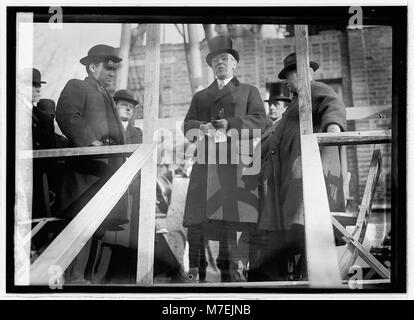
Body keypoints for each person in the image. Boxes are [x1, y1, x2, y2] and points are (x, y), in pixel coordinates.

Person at [250, 52, 347, 281]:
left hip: (304, 182)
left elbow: (332, 103)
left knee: (302, 233)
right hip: (285, 187)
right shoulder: (293, 106)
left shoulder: (313, 90)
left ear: (299, 74)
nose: (285, 82)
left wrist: (333, 127)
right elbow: (271, 140)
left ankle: (309, 282)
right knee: (285, 236)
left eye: (287, 76)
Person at [183, 35, 267, 282]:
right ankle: (198, 278)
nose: (220, 63)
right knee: (200, 223)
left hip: (236, 167)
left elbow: (261, 122)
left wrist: (230, 123)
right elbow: (187, 126)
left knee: (233, 223)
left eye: (225, 59)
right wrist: (202, 126)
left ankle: (235, 279)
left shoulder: (248, 92)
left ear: (234, 64)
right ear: (211, 66)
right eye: (216, 60)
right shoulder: (201, 97)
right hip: (207, 165)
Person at [55, 44, 127, 284]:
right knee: (82, 229)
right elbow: (67, 115)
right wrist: (91, 142)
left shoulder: (107, 95)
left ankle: (91, 280)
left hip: (109, 174)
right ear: (92, 66)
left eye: (114, 69)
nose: (112, 73)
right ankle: (75, 281)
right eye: (108, 67)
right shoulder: (79, 86)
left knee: (100, 230)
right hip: (87, 175)